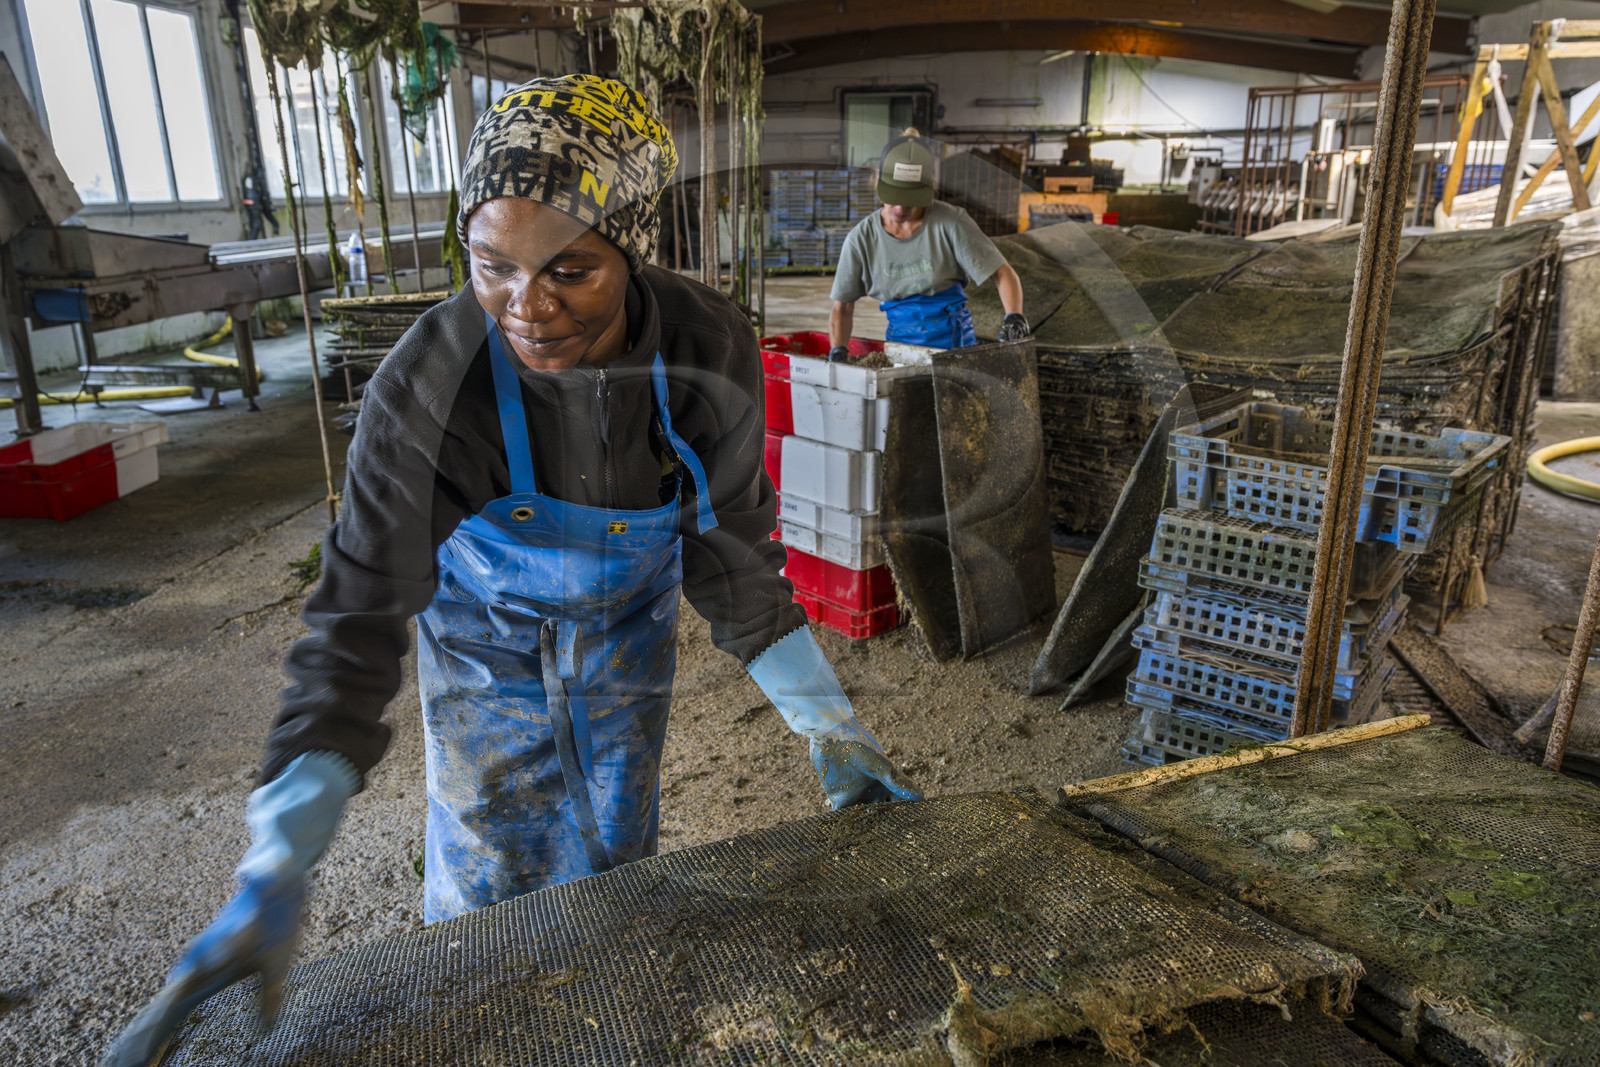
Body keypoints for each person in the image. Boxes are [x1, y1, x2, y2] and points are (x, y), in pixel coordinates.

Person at [106, 74, 919, 1066]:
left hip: (626, 639)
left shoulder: (705, 346)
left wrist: (829, 723)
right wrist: (278, 858)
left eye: (571, 270)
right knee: (485, 875)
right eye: (492, 266)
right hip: (484, 646)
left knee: (612, 859)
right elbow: (356, 615)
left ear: (632, 246)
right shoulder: (429, 384)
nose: (526, 307)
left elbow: (731, 557)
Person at [829, 130, 1030, 359]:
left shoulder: (951, 222)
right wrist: (838, 351)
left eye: (910, 199)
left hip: (955, 345)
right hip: (901, 349)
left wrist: (1013, 316)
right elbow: (842, 307)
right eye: (894, 197)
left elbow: (1002, 274)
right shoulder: (861, 240)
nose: (900, 208)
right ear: (877, 179)